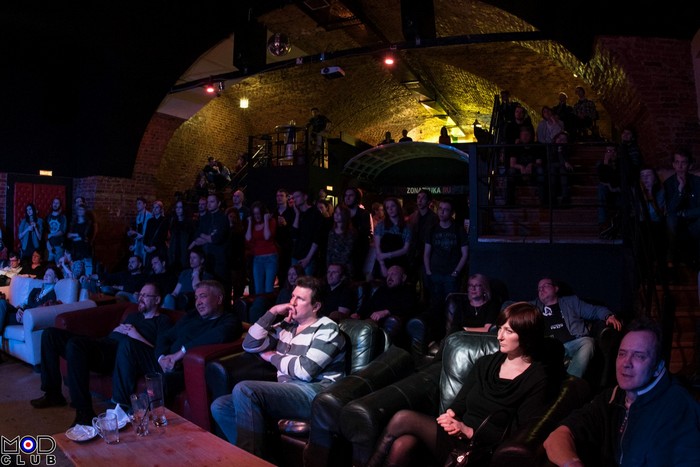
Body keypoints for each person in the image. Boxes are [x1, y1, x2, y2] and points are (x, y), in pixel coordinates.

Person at [367, 302, 555, 467]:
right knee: (403, 443)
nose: (499, 336)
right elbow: (461, 401)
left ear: (527, 336)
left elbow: (520, 433)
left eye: (509, 331)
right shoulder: (486, 363)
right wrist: (450, 415)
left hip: (485, 448)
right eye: (500, 328)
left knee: (403, 418)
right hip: (457, 435)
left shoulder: (537, 378)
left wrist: (469, 432)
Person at [210, 275, 346, 458]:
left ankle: (248, 462)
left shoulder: (327, 328)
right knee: (221, 406)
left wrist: (273, 356)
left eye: (300, 299)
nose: (292, 302)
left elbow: (305, 371)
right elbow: (249, 344)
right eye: (293, 296)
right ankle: (258, 457)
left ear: (315, 306)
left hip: (316, 393)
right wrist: (272, 311)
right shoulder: (287, 326)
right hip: (288, 388)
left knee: (245, 390)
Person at [543, 317, 700, 466]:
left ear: (658, 367)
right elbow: (557, 437)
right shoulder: (613, 397)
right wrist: (572, 464)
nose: (626, 363)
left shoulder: (680, 410)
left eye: (639, 356)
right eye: (622, 354)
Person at [30, 283, 172, 427]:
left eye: (145, 295)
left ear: (157, 299)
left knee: (75, 345)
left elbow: (157, 353)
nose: (140, 298)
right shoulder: (133, 316)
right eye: (140, 295)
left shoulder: (162, 321)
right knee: (50, 334)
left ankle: (84, 413)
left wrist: (135, 335)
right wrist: (117, 330)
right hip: (105, 344)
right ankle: (52, 393)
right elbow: (114, 334)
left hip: (118, 356)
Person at [113, 280, 242, 404]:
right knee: (128, 345)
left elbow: (216, 336)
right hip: (165, 362)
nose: (198, 302)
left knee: (160, 381)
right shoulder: (192, 316)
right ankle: (120, 405)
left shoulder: (229, 321)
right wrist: (161, 358)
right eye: (196, 298)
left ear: (219, 299)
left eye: (203, 296)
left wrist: (179, 354)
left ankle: (139, 414)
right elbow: (166, 336)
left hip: (185, 369)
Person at [532, 277, 622, 377]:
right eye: (539, 288)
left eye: (545, 286)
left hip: (572, 346)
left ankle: (570, 382)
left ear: (556, 288)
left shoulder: (571, 302)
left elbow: (595, 310)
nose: (541, 290)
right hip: (549, 349)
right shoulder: (533, 307)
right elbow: (518, 308)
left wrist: (608, 316)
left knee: (588, 342)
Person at [422, 198, 469, 342]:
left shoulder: (458, 229)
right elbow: (427, 252)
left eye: (446, 209)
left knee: (451, 309)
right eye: (440, 209)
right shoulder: (432, 229)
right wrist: (428, 271)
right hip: (435, 273)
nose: (442, 212)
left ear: (451, 212)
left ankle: (450, 338)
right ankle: (436, 339)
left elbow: (465, 253)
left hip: (451, 274)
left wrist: (456, 272)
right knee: (435, 307)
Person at [354, 264, 417, 347]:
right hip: (368, 320)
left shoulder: (408, 291)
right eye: (388, 274)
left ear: (403, 277)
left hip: (384, 324)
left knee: (366, 326)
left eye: (394, 274)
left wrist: (386, 311)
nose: (389, 277)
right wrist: (358, 313)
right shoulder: (382, 289)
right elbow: (370, 304)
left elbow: (408, 308)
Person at [664, 148, 700, 270]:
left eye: (683, 162)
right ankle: (671, 257)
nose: (680, 166)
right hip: (676, 223)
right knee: (671, 218)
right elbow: (670, 210)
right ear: (673, 165)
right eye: (677, 162)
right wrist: (680, 189)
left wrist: (685, 213)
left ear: (689, 165)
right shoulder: (668, 184)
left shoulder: (697, 182)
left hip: (693, 222)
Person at [0, 266, 59, 336]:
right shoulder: (35, 290)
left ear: (55, 279)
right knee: (2, 302)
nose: (45, 276)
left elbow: (43, 312)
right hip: (21, 311)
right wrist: (19, 309)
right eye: (45, 274)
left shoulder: (51, 295)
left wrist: (25, 314)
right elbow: (25, 303)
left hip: (28, 316)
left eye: (49, 275)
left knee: (4, 316)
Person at [245, 201, 278, 295]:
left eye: (259, 213)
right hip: (257, 258)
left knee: (268, 288)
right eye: (255, 214)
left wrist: (266, 220)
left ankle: (269, 304)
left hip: (270, 257)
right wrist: (250, 223)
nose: (257, 216)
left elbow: (267, 236)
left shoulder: (271, 221)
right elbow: (248, 238)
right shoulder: (253, 224)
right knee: (258, 289)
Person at [373, 197, 411, 278]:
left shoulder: (406, 227)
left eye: (393, 206)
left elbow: (405, 249)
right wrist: (382, 265)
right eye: (387, 207)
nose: (390, 209)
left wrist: (388, 255)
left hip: (400, 262)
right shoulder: (380, 226)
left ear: (398, 207)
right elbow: (377, 248)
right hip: (383, 262)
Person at [290, 189, 324, 276]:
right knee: (295, 281)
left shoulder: (315, 213)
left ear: (305, 197)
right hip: (296, 254)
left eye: (297, 196)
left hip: (308, 256)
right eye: (294, 197)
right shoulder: (296, 213)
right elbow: (294, 235)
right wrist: (297, 215)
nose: (295, 199)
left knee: (307, 282)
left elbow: (317, 238)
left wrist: (308, 258)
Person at [344, 187, 372, 282]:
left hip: (358, 252)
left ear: (357, 198)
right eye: (346, 195)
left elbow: (365, 233)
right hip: (343, 251)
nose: (347, 198)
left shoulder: (364, 214)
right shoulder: (341, 213)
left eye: (351, 195)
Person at [326, 204, 357, 277]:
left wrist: (338, 266)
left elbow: (348, 251)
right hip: (331, 264)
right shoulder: (332, 231)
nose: (336, 215)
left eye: (339, 213)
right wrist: (329, 265)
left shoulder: (351, 232)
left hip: (345, 266)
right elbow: (329, 249)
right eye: (335, 212)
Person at [167, 199, 195, 272]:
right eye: (177, 207)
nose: (178, 210)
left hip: (184, 252)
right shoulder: (173, 222)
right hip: (174, 251)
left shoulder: (189, 223)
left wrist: (188, 249)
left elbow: (192, 238)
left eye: (180, 207)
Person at [142, 200, 168, 268]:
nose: (155, 209)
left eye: (157, 207)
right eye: (154, 207)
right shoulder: (150, 221)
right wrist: (145, 246)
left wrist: (155, 247)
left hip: (159, 248)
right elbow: (146, 234)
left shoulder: (165, 220)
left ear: (161, 209)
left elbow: (163, 236)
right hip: (149, 246)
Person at [126, 197, 152, 263]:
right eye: (137, 204)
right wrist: (134, 246)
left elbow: (149, 232)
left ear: (144, 205)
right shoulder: (138, 217)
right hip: (139, 242)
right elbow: (139, 232)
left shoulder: (150, 216)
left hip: (146, 243)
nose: (137, 205)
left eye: (139, 203)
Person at [45, 197, 67, 262]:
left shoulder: (62, 217)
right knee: (48, 265)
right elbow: (45, 232)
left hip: (59, 246)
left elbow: (62, 231)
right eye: (54, 202)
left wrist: (51, 235)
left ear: (60, 205)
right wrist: (47, 244)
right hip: (49, 245)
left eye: (57, 203)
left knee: (58, 265)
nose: (55, 204)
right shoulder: (48, 217)